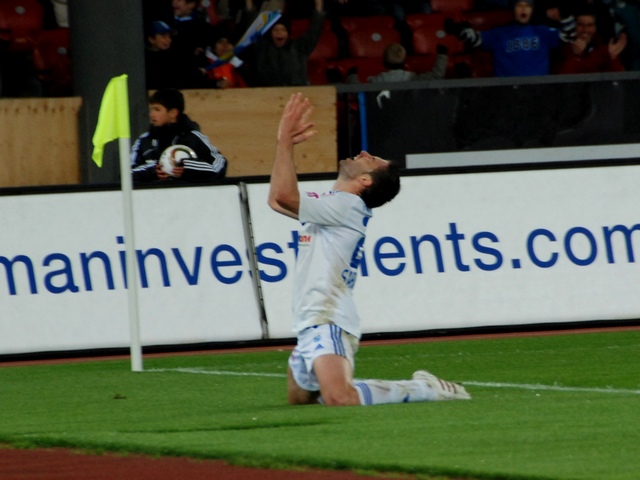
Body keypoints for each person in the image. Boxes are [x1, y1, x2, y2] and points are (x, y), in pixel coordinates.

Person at [269, 93, 471, 406]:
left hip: (329, 318)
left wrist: (284, 140)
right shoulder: (335, 205)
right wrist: (284, 145)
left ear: (365, 180)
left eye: (371, 159)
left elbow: (283, 195)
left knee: (340, 397)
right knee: (301, 399)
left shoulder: (346, 205)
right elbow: (275, 200)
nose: (363, 152)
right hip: (310, 319)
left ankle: (425, 389)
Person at [445, 0, 576, 77]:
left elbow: (568, 36)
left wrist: (566, 17)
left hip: (538, 90)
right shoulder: (499, 33)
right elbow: (475, 38)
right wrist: (459, 31)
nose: (524, 9)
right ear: (513, 9)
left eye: (527, 6)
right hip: (507, 92)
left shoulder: (542, 31)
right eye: (520, 5)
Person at [131, 88, 227, 184]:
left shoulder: (193, 138)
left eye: (157, 109)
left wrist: (189, 168)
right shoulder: (144, 140)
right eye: (151, 109)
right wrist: (152, 171)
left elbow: (219, 165)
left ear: (173, 113)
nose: (151, 114)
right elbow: (127, 173)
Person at [240, 0, 325, 86]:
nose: (279, 33)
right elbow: (252, 26)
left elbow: (314, 31)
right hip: (268, 91)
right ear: (271, 33)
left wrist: (319, 4)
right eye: (275, 30)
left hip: (297, 89)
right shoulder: (263, 47)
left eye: (283, 30)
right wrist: (249, 2)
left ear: (288, 33)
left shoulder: (300, 46)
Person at [555, 6, 625, 73]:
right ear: (575, 27)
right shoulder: (564, 48)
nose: (585, 30)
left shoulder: (605, 49)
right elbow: (561, 78)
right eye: (580, 25)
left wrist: (613, 58)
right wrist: (576, 56)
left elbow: (618, 78)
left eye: (589, 25)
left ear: (595, 27)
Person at [347, 43, 448, 83]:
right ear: (404, 62)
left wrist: (352, 76)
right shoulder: (413, 79)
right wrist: (442, 55)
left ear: (384, 62)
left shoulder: (376, 81)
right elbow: (436, 75)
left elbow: (357, 93)